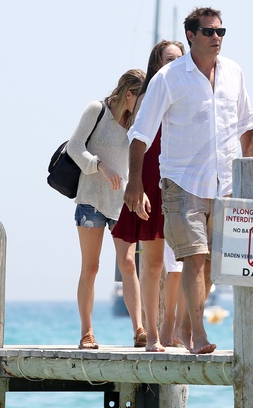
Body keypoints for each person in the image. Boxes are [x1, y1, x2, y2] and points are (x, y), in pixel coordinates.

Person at [124, 7, 253, 354]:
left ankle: (185, 326)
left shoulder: (234, 72)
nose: (216, 38)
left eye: (220, 32)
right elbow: (140, 133)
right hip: (182, 183)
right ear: (191, 35)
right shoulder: (168, 77)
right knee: (194, 258)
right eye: (209, 31)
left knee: (211, 263)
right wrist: (135, 182)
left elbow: (247, 124)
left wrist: (246, 172)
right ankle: (198, 334)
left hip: (224, 184)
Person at [111, 40, 186, 352]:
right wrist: (136, 184)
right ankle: (152, 334)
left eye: (179, 59)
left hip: (180, 179)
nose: (175, 64)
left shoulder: (189, 90)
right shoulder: (147, 95)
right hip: (151, 179)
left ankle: (175, 329)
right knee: (153, 263)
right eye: (169, 59)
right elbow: (137, 139)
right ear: (156, 63)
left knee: (184, 262)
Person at [67, 69, 146, 349]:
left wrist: (141, 192)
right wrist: (100, 165)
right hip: (91, 199)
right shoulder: (97, 110)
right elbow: (74, 147)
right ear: (129, 94)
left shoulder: (137, 122)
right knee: (91, 266)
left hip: (123, 202)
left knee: (129, 264)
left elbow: (138, 162)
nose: (145, 105)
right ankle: (86, 333)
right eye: (142, 98)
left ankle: (139, 330)